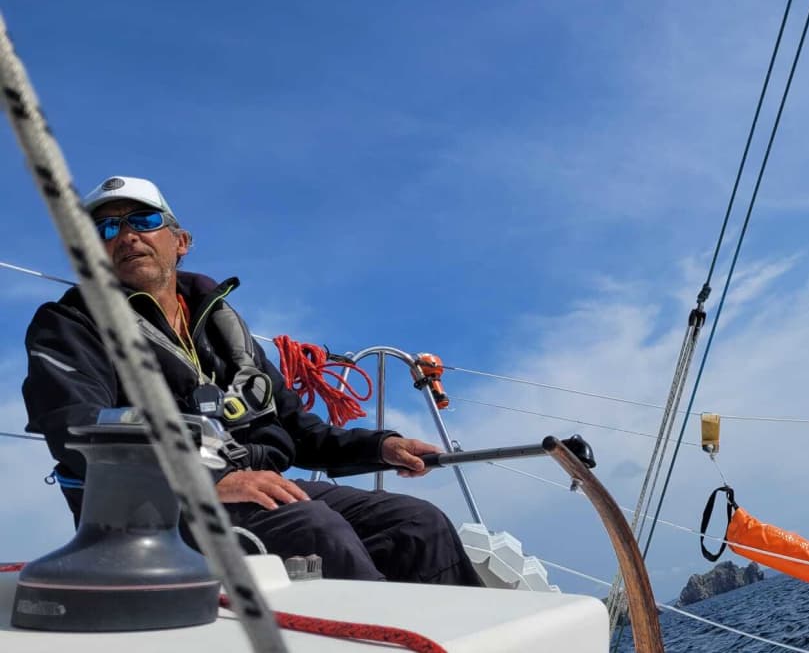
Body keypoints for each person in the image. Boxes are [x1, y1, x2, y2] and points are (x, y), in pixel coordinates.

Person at [22, 175, 483, 586]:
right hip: (146, 511)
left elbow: (299, 431)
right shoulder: (69, 325)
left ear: (180, 241)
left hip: (251, 487)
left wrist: (380, 447)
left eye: (143, 220)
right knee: (316, 532)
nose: (126, 236)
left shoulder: (222, 326)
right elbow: (75, 426)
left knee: (416, 523)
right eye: (106, 228)